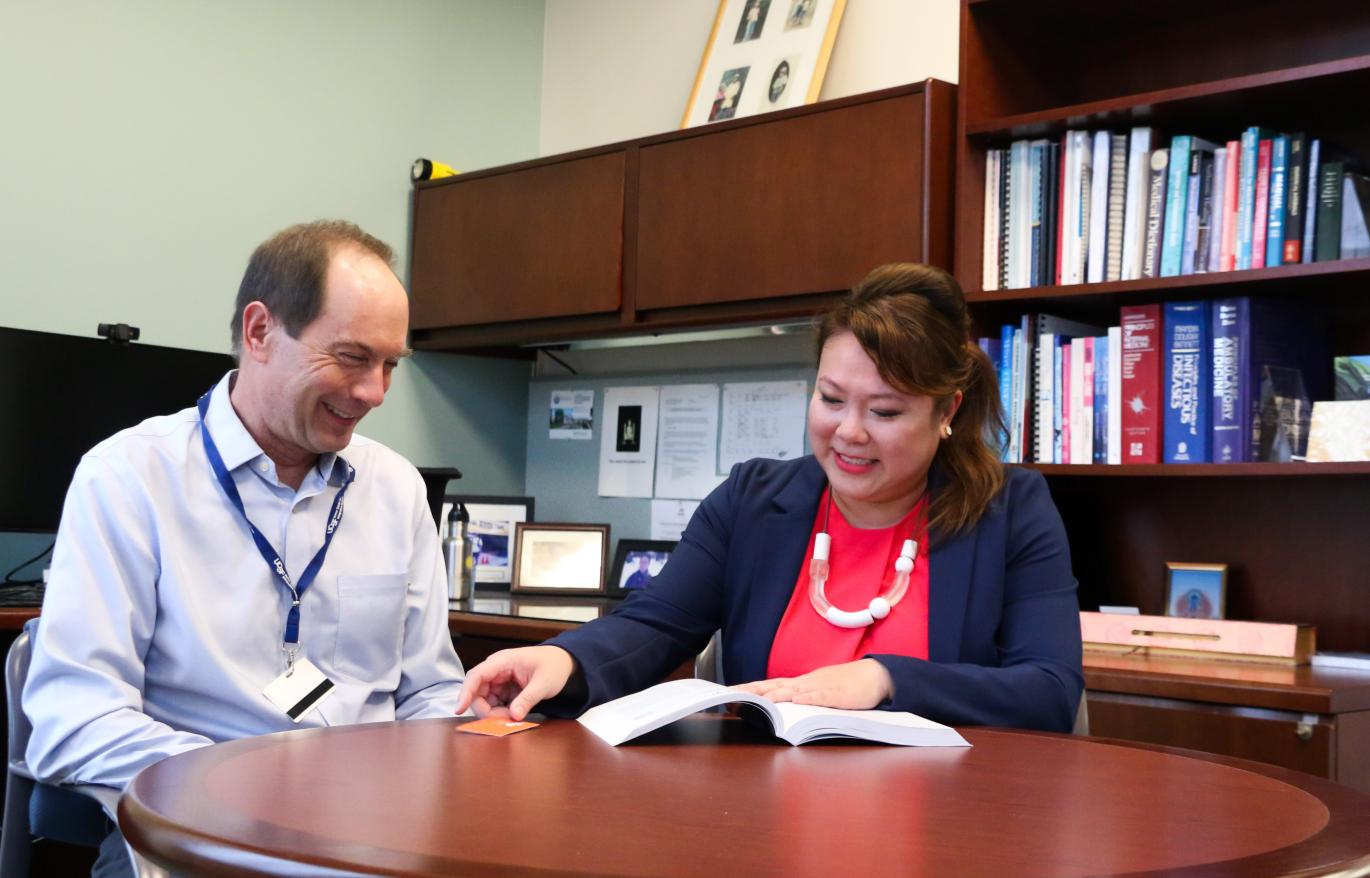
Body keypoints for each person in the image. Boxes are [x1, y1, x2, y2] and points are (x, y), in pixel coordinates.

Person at [456, 263, 1082, 732]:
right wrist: (560, 662)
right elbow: (655, 624)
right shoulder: (753, 499)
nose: (850, 432)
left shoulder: (1011, 510)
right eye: (831, 399)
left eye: (885, 411)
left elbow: (1049, 690)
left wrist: (885, 678)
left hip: (948, 825)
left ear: (947, 410)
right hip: (764, 816)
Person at [23, 220, 466, 875]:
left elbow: (429, 690)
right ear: (259, 332)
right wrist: (244, 788)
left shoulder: (395, 488)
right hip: (195, 837)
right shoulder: (127, 478)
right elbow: (75, 719)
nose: (374, 391)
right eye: (351, 357)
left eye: (389, 365)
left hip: (373, 839)